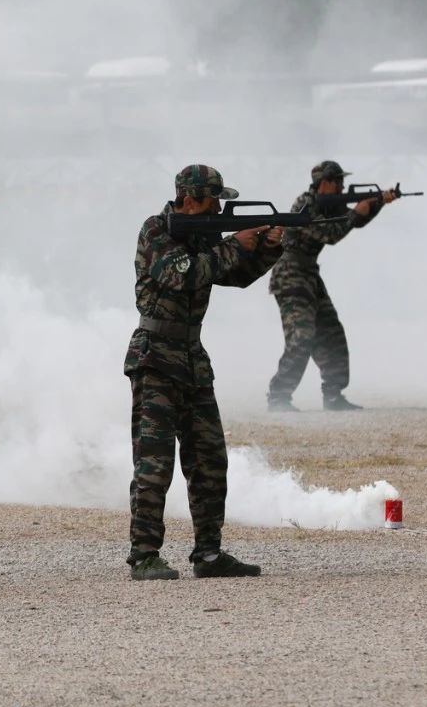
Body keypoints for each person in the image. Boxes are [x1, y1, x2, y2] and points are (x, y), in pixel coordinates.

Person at [124, 165, 283, 581]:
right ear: (190, 199)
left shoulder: (204, 238)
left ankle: (209, 554)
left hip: (192, 359)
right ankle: (144, 555)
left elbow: (235, 275)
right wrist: (233, 244)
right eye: (214, 200)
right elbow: (183, 273)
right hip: (156, 358)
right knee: (154, 464)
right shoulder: (156, 230)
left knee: (210, 460)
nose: (219, 209)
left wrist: (268, 248)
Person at [266, 160, 398, 412]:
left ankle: (334, 395)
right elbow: (332, 234)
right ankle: (278, 397)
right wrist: (355, 212)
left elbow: (354, 221)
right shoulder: (305, 205)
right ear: (325, 183)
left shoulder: (329, 204)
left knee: (332, 333)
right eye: (338, 182)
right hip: (290, 275)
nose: (342, 187)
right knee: (301, 336)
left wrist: (378, 203)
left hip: (309, 274)